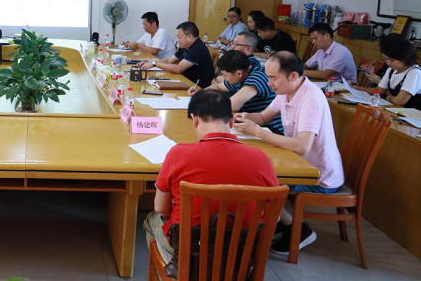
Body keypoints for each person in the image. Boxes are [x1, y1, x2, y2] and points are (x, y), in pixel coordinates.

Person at [143, 89, 279, 263]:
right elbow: (271, 215)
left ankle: (177, 270)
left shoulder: (178, 154)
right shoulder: (261, 159)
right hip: (241, 249)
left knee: (151, 220)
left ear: (195, 119)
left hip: (190, 245)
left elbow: (161, 208)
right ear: (231, 121)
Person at [234, 51, 344, 255]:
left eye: (273, 78)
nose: (269, 83)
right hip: (299, 162)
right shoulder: (287, 91)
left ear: (293, 76)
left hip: (318, 174)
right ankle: (279, 222)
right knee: (256, 174)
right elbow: (264, 117)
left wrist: (257, 132)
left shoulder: (311, 98)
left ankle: (299, 230)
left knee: (258, 181)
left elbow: (302, 146)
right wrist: (246, 117)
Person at [193, 50, 283, 134]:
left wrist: (204, 102)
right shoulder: (241, 75)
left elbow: (232, 105)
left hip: (271, 129)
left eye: (225, 75)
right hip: (252, 123)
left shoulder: (258, 77)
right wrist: (200, 93)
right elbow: (218, 87)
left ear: (239, 73)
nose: (224, 78)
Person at [140, 21, 215, 88]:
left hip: (198, 88)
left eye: (179, 37)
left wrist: (155, 64)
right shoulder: (185, 46)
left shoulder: (198, 48)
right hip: (185, 81)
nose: (177, 40)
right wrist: (150, 63)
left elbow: (178, 69)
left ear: (190, 37)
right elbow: (169, 60)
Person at [374, 35, 421, 108]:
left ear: (405, 56)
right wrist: (357, 89)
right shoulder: (391, 70)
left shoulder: (414, 72)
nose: (388, 63)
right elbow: (379, 91)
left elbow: (399, 101)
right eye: (386, 59)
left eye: (392, 60)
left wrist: (389, 97)